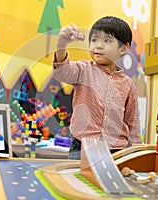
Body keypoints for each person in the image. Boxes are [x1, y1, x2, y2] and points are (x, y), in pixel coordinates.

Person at [52, 16, 142, 159]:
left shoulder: (128, 84)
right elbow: (62, 72)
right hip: (82, 146)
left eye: (107, 41)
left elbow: (132, 122)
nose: (98, 46)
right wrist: (61, 44)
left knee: (111, 181)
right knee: (76, 180)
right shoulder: (84, 70)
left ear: (124, 48)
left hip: (116, 150)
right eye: (94, 40)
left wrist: (137, 152)